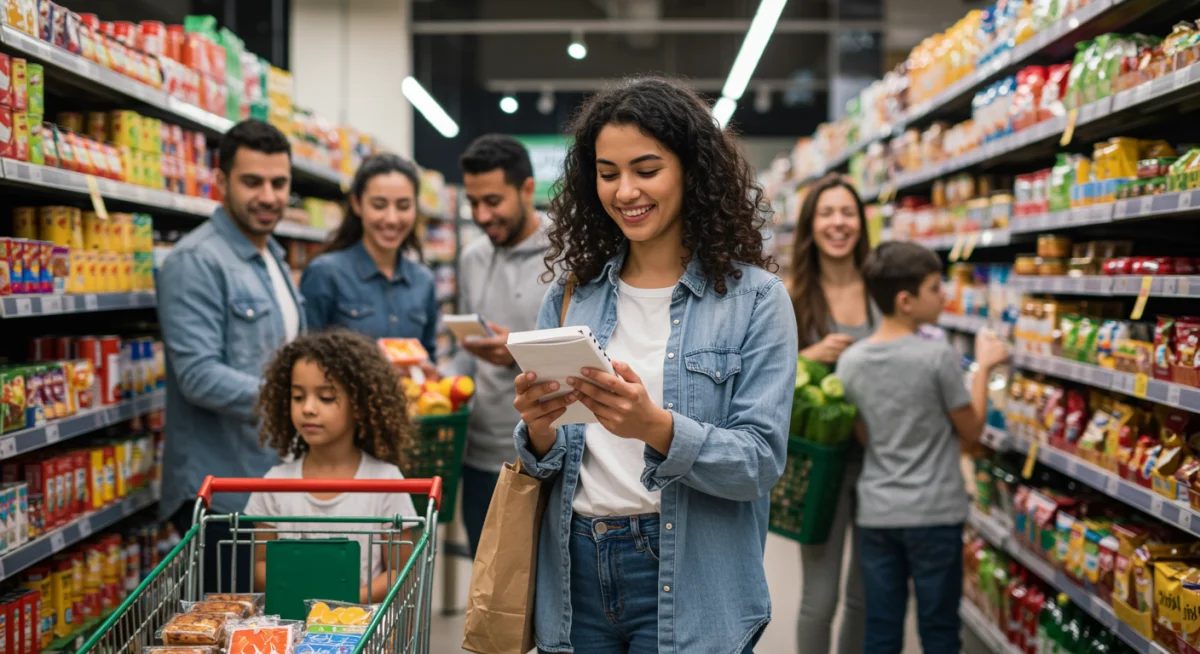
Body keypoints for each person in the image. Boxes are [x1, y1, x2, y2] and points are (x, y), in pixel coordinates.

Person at [510, 77, 797, 654]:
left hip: (689, 572)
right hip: (574, 571)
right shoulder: (572, 295)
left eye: (646, 169)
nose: (625, 191)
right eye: (607, 172)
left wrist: (655, 428)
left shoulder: (757, 301)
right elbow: (552, 460)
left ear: (691, 171)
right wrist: (538, 431)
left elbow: (760, 462)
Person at [836, 242, 1009, 653]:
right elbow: (972, 430)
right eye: (935, 287)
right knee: (938, 629)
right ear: (905, 301)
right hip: (934, 513)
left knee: (881, 627)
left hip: (877, 512)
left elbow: (863, 434)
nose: (944, 295)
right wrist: (984, 367)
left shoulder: (851, 362)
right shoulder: (937, 357)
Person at [157, 119, 303, 592]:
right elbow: (198, 376)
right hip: (220, 491)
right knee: (229, 625)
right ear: (221, 182)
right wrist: (294, 401)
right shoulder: (196, 260)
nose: (268, 196)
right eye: (252, 181)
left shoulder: (272, 258)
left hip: (264, 479)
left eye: (278, 183)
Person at [246, 329, 417, 603]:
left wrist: (346, 598)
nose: (308, 409)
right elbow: (261, 565)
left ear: (359, 405)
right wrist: (304, 594)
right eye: (298, 397)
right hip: (294, 628)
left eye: (325, 397)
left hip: (361, 629)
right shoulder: (274, 484)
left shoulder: (386, 482)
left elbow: (400, 570)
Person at [448, 134, 550, 556]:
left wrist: (520, 351)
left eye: (493, 201)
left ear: (527, 189)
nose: (482, 215)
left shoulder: (568, 254)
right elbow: (465, 353)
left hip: (546, 449)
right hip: (481, 452)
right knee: (488, 583)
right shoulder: (473, 258)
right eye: (473, 204)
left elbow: (590, 354)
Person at [788, 175, 878, 654]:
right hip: (818, 465)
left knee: (864, 598)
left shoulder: (882, 289)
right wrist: (809, 355)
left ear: (862, 224)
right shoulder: (792, 295)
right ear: (810, 225)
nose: (838, 223)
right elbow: (763, 379)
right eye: (827, 213)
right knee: (818, 600)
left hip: (882, 461)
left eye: (848, 213)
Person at [300, 153, 441, 362]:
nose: (392, 219)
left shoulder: (423, 281)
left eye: (403, 206)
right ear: (357, 204)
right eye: (379, 205)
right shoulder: (325, 274)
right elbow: (306, 359)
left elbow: (428, 356)